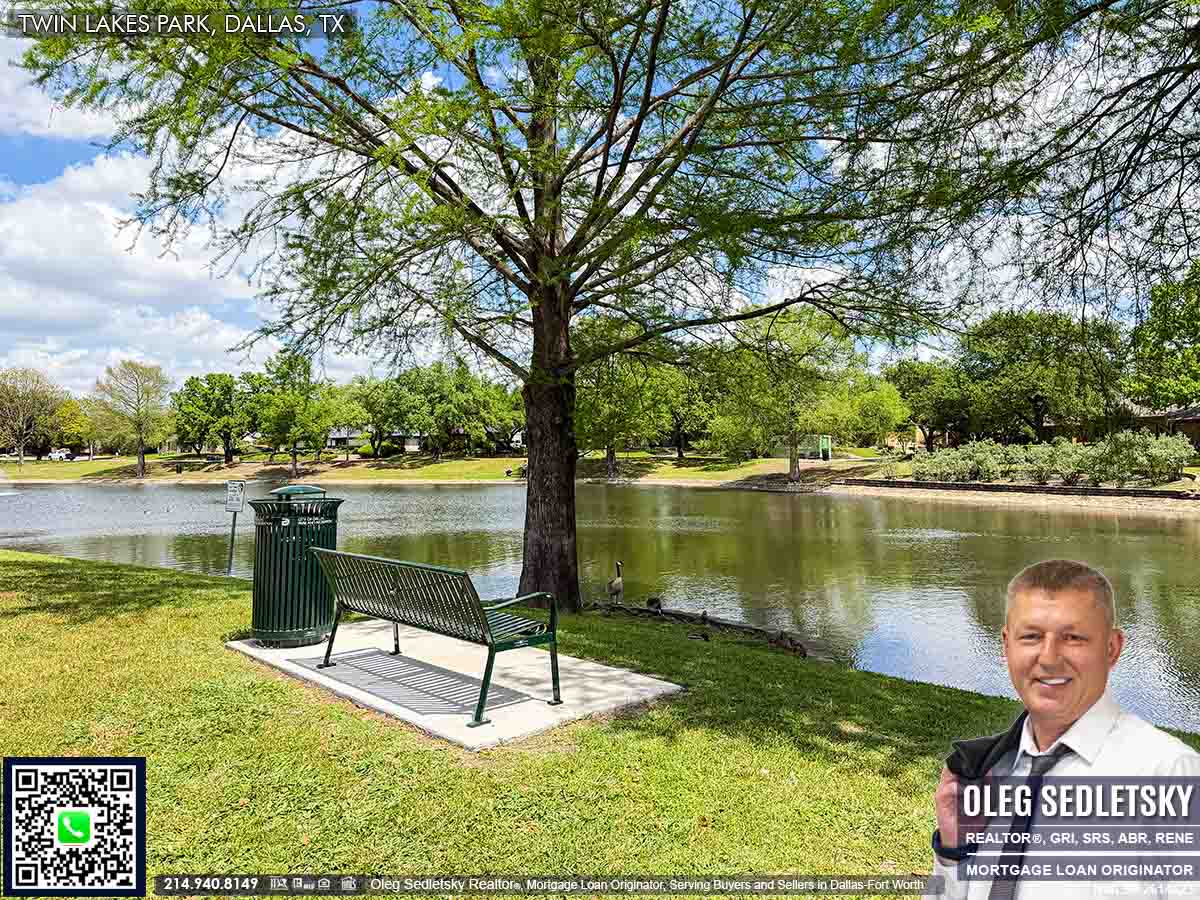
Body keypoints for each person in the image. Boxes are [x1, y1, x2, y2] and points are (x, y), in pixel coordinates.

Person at [931, 559, 1200, 899]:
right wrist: (955, 850)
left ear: (1112, 648)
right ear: (1006, 646)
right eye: (1031, 636)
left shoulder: (1169, 773)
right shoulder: (984, 774)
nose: (1048, 658)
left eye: (1073, 638)